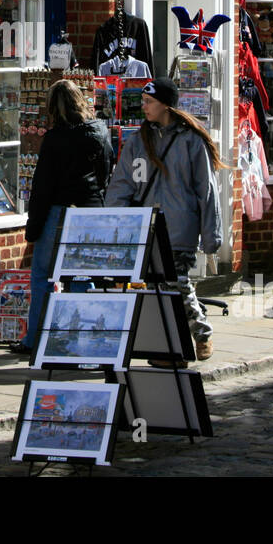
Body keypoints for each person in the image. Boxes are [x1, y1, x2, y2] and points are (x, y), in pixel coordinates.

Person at [104, 77, 224, 361]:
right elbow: (123, 184)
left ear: (166, 105)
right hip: (146, 227)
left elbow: (205, 190)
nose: (143, 106)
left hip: (179, 227)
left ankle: (202, 332)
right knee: (155, 289)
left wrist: (211, 237)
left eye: (149, 102)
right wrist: (114, 221)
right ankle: (167, 348)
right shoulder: (138, 142)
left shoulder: (192, 141)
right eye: (143, 101)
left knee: (177, 283)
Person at [12, 80, 113, 356]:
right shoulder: (100, 132)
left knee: (43, 276)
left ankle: (35, 340)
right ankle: (83, 340)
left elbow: (42, 187)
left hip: (58, 211)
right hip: (90, 211)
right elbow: (106, 174)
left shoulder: (55, 139)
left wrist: (33, 229)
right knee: (82, 274)